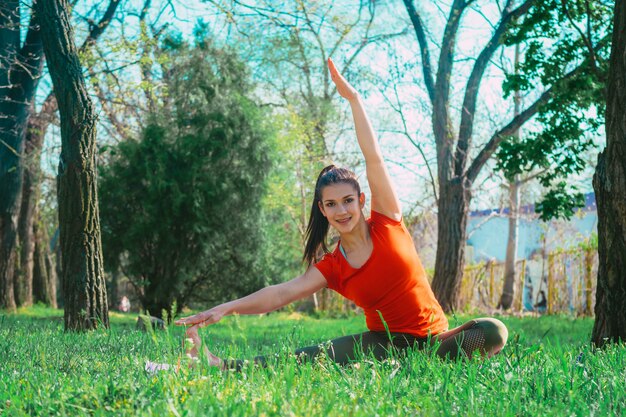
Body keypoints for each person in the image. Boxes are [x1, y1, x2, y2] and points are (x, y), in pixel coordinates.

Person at [175, 58, 508, 370]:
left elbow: (373, 158)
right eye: (331, 204)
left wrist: (354, 100)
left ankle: (419, 364)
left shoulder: (388, 220)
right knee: (312, 357)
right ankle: (222, 366)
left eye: (347, 200)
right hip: (383, 344)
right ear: (322, 209)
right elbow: (280, 293)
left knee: (493, 331)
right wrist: (225, 308)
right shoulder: (334, 266)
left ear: (361, 199)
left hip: (436, 340)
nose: (341, 210)